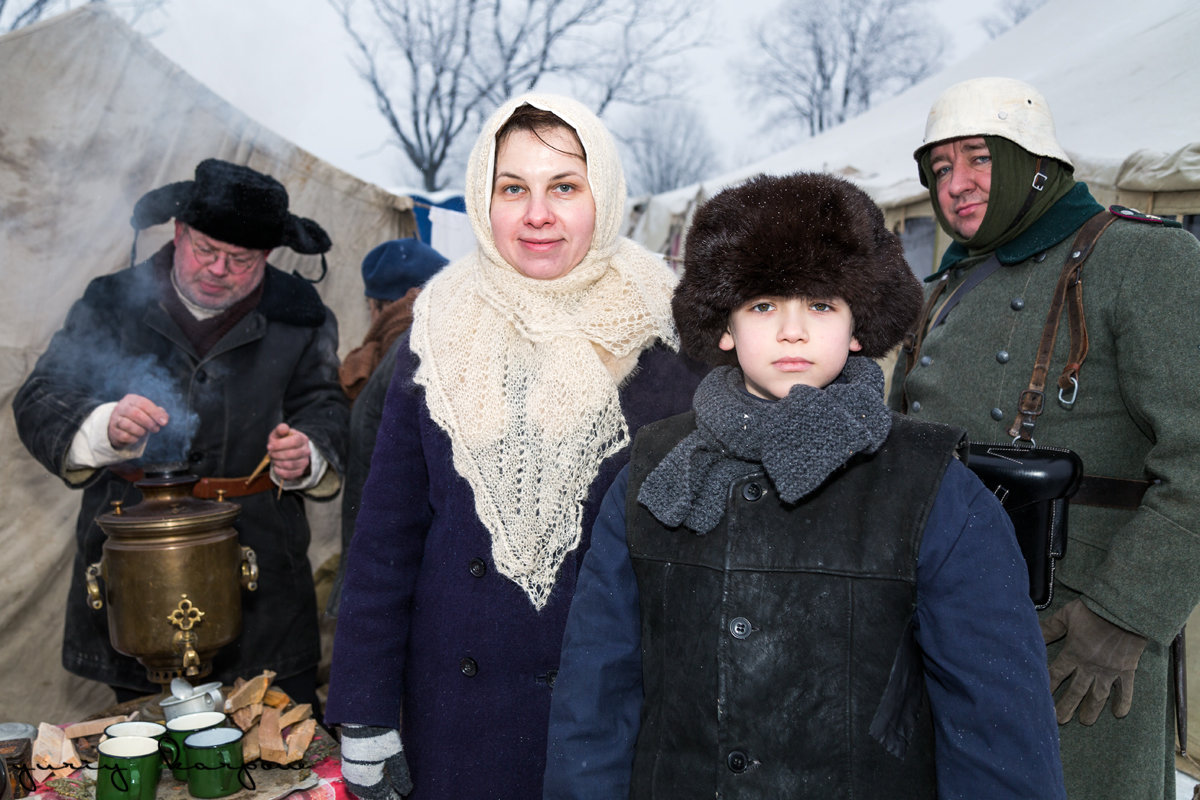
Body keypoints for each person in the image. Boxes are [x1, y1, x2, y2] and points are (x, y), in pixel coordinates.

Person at [544, 172, 1066, 799]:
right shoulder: (653, 471)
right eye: (763, 305)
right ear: (725, 326)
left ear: (857, 326)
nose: (792, 330)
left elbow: (996, 727)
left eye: (821, 304)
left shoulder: (933, 488)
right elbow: (596, 692)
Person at [324, 93, 707, 799]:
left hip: (619, 718)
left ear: (606, 196)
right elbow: (383, 542)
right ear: (483, 197)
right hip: (456, 718)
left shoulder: (676, 340)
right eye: (513, 188)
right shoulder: (434, 336)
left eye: (564, 187)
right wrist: (365, 713)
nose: (537, 214)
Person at [890, 77, 1200, 800]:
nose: (956, 185)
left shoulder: (1139, 258)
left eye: (978, 158)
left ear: (1034, 163)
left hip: (1073, 635)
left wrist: (1125, 617)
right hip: (949, 619)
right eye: (939, 170)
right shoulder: (946, 286)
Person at [12, 158, 349, 708]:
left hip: (261, 575)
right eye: (205, 250)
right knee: (153, 755)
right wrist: (103, 427)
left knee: (279, 757)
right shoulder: (111, 301)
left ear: (268, 256)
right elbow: (41, 395)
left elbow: (326, 405)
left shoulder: (300, 317)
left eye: (240, 260)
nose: (219, 269)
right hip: (135, 572)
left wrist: (308, 451)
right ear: (178, 232)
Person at [327, 238, 449, 618]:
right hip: (392, 563)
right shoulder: (421, 347)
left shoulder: (409, 354)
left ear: (375, 305)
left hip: (392, 568)